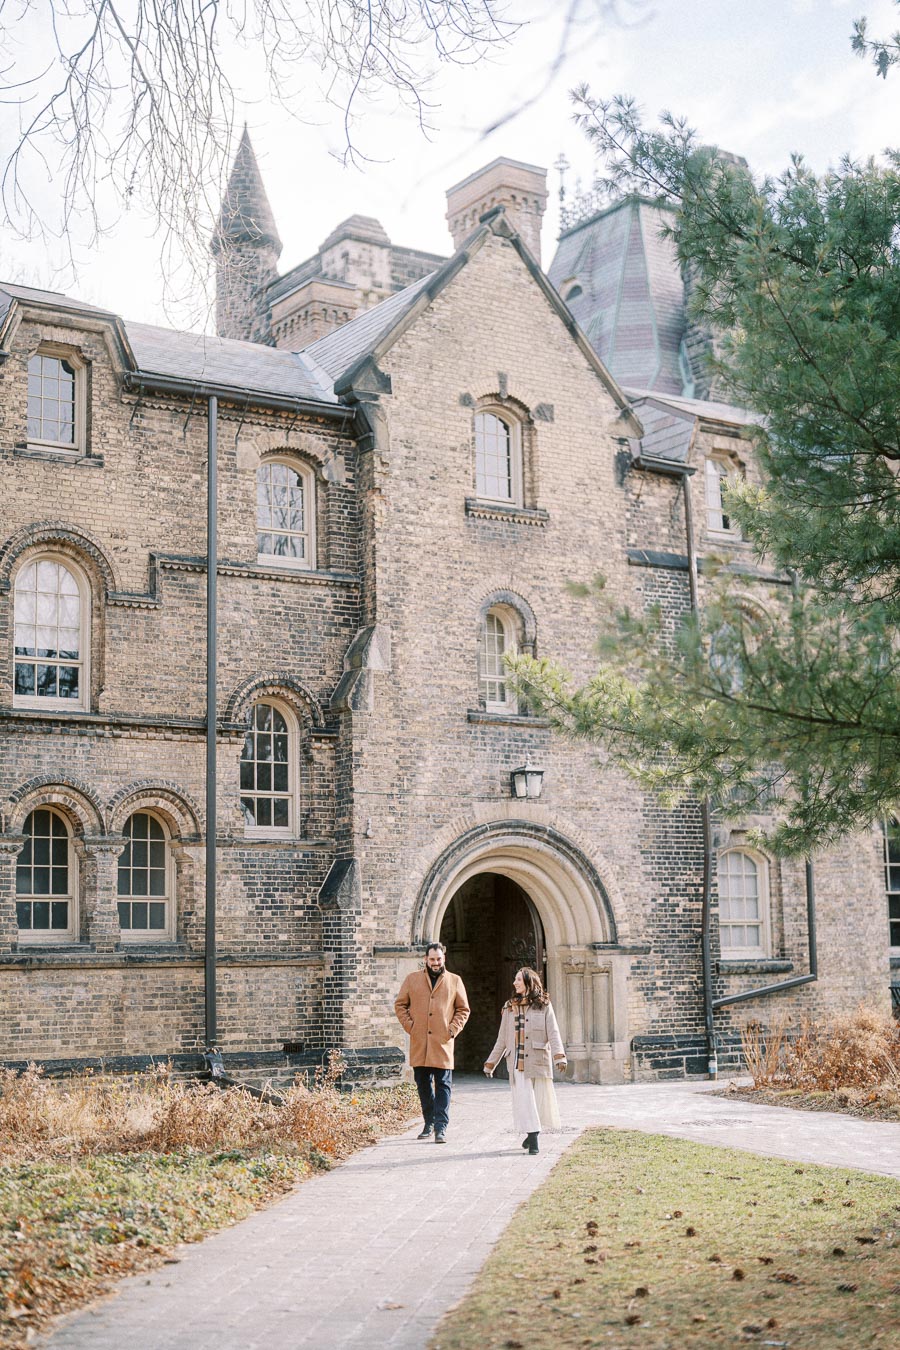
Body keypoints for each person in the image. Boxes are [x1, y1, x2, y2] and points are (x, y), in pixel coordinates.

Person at [483, 967, 566, 1154]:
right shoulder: (509, 1007)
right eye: (515, 979)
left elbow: (553, 1032)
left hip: (538, 1059)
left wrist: (559, 1056)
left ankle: (530, 1135)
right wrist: (490, 1063)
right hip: (516, 1062)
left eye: (518, 979)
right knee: (525, 1100)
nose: (514, 983)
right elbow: (502, 1039)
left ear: (529, 982)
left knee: (536, 1101)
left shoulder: (543, 1005)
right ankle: (534, 1137)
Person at [394, 941, 470, 1144]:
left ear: (444, 958)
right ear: (425, 960)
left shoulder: (455, 981)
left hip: (442, 1042)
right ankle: (428, 1122)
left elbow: (463, 1009)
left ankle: (441, 1127)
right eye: (432, 959)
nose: (435, 963)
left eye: (439, 959)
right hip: (420, 1041)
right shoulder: (412, 979)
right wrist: (411, 1027)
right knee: (423, 1085)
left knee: (444, 1084)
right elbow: (400, 1005)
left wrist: (452, 1029)